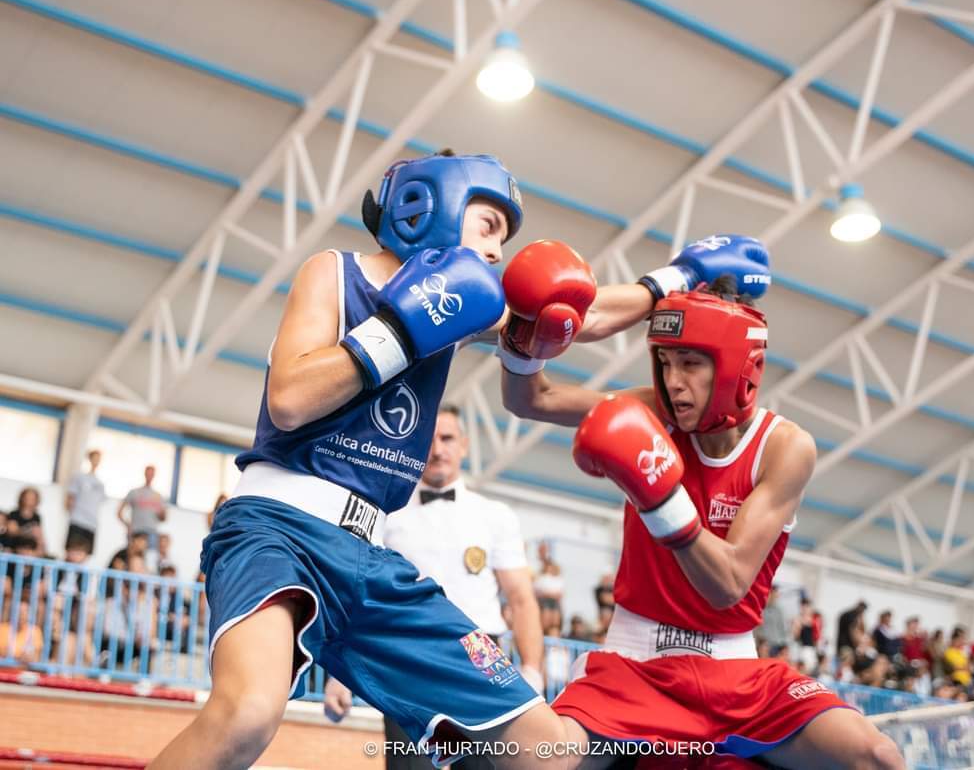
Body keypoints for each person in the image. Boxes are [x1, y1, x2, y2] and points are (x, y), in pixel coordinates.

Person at [149, 150, 720, 769]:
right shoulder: (336, 274)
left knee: (545, 753)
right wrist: (401, 328)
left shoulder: (472, 304)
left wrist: (678, 275)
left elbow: (581, 311)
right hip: (277, 527)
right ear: (430, 206)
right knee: (246, 715)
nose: (499, 252)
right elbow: (289, 400)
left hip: (372, 558)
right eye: (489, 227)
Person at [502, 272, 903, 768]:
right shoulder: (653, 412)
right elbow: (532, 399)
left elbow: (728, 583)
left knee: (877, 756)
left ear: (736, 365)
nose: (673, 381)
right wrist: (522, 336)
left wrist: (658, 496)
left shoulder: (784, 447)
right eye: (666, 362)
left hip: (735, 676)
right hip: (636, 665)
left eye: (690, 363)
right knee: (538, 760)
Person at [323, 403, 546, 768]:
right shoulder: (384, 515)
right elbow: (355, 595)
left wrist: (533, 670)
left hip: (482, 654)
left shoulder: (495, 516)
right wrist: (340, 675)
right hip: (407, 656)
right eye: (429, 439)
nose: (438, 449)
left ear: (464, 445)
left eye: (447, 438)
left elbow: (522, 599)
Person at [118, 465, 167, 562]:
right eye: (148, 472)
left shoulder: (159, 496)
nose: (150, 475)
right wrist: (128, 525)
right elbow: (119, 512)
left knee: (150, 561)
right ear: (144, 473)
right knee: (132, 559)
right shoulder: (134, 492)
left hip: (151, 533)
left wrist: (161, 510)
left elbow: (163, 518)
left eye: (152, 473)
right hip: (136, 531)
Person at [64, 449, 107, 554]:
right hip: (78, 520)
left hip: (91, 523)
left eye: (99, 459)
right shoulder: (79, 477)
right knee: (72, 550)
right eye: (95, 458)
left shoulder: (100, 484)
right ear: (90, 459)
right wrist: (72, 513)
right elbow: (70, 498)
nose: (96, 461)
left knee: (86, 553)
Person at [4, 486, 44, 556]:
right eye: (27, 497)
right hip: (13, 549)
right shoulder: (14, 514)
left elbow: (39, 536)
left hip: (29, 551)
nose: (29, 500)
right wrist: (29, 532)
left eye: (32, 498)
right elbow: (12, 531)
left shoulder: (37, 517)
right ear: (22, 498)